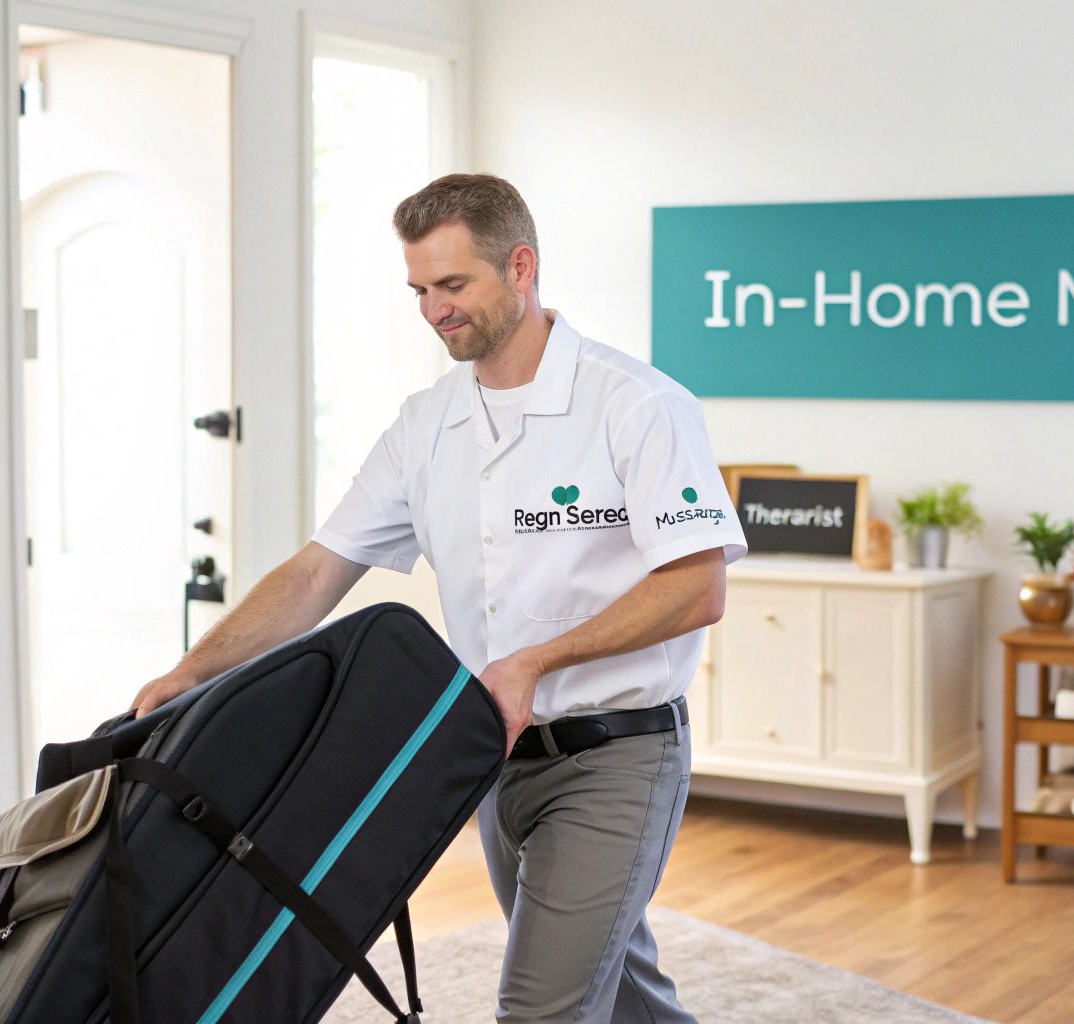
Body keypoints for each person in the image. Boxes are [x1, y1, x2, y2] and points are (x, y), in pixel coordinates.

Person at [129, 173, 746, 1023]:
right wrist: (193, 670)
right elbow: (317, 572)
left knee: (541, 1009)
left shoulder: (636, 405)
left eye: (453, 284)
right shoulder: (426, 425)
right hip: (493, 760)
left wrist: (536, 660)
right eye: (419, 290)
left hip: (619, 755)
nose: (434, 310)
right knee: (619, 994)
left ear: (521, 267)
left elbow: (697, 586)